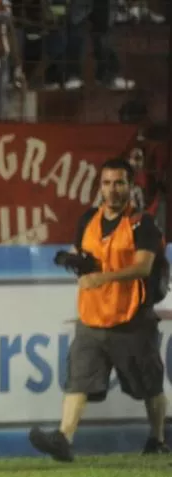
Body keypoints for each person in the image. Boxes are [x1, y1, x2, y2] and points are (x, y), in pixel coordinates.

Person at [30, 158, 169, 461]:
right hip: (92, 316)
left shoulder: (142, 224)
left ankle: (157, 439)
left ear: (131, 187)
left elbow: (143, 267)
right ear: (100, 187)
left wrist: (101, 277)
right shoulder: (88, 220)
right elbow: (86, 256)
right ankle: (64, 439)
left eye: (119, 182)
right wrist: (73, 260)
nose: (112, 189)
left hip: (131, 317)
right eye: (106, 183)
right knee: (78, 378)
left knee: (149, 383)